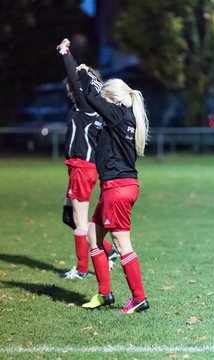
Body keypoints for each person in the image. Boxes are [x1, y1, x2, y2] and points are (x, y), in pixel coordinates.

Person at [74, 63, 150, 313]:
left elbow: (93, 97)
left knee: (122, 243)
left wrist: (84, 74)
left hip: (117, 188)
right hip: (119, 186)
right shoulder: (125, 117)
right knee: (93, 236)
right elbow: (96, 97)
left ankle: (139, 298)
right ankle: (104, 294)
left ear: (113, 101)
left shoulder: (118, 115)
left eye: (106, 101)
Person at [56, 39, 118, 279]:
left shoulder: (87, 105)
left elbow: (74, 77)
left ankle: (82, 270)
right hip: (78, 168)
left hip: (83, 168)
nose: (70, 88)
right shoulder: (84, 108)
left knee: (80, 222)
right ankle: (109, 251)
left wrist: (66, 53)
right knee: (68, 215)